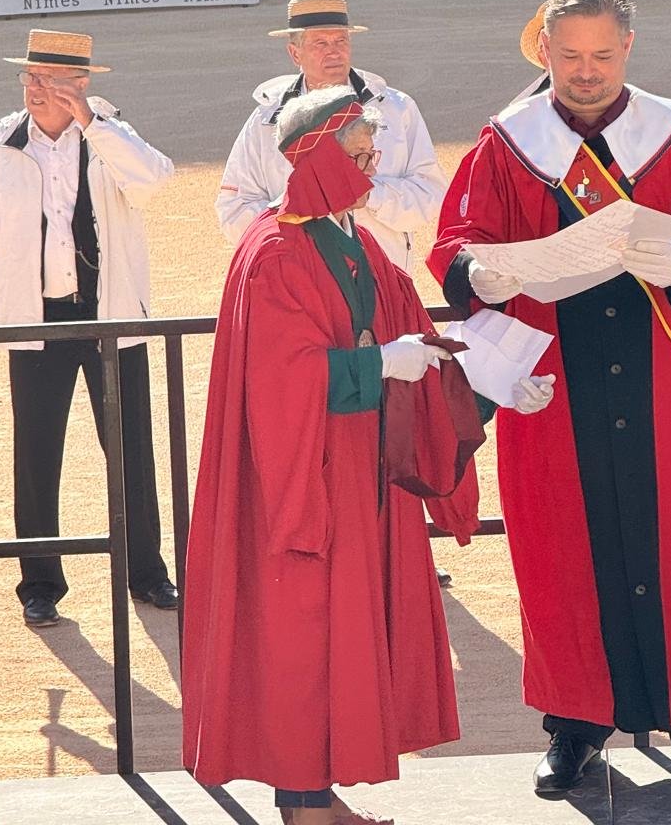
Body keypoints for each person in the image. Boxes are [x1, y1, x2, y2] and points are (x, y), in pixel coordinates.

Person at [183, 87, 553, 825]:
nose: (372, 165)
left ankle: (320, 799)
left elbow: (417, 334)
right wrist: (379, 363)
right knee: (301, 638)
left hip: (355, 475)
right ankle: (305, 810)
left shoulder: (356, 241)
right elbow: (282, 381)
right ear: (310, 155)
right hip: (304, 483)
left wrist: (496, 385)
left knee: (328, 639)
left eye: (371, 152)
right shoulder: (275, 252)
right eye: (357, 154)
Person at [429, 0, 671, 796]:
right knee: (560, 556)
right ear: (545, 49)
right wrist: (484, 274)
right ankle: (573, 725)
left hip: (662, 378)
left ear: (628, 49)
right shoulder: (508, 144)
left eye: (603, 55)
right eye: (570, 54)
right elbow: (456, 240)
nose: (585, 71)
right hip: (553, 383)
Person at [0, 29, 177, 627]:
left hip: (110, 319)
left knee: (130, 448)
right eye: (28, 77)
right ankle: (40, 582)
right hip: (38, 319)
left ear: (79, 86)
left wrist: (94, 124)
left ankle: (147, 573)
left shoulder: (111, 135)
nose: (33, 89)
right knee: (36, 455)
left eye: (47, 80)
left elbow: (156, 181)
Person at [216, 0, 446, 275]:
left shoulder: (397, 110)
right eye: (320, 43)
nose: (334, 52)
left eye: (341, 41)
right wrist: (295, 219)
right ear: (294, 53)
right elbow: (233, 208)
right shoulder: (266, 120)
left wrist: (370, 196)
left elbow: (431, 194)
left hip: (382, 276)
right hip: (299, 280)